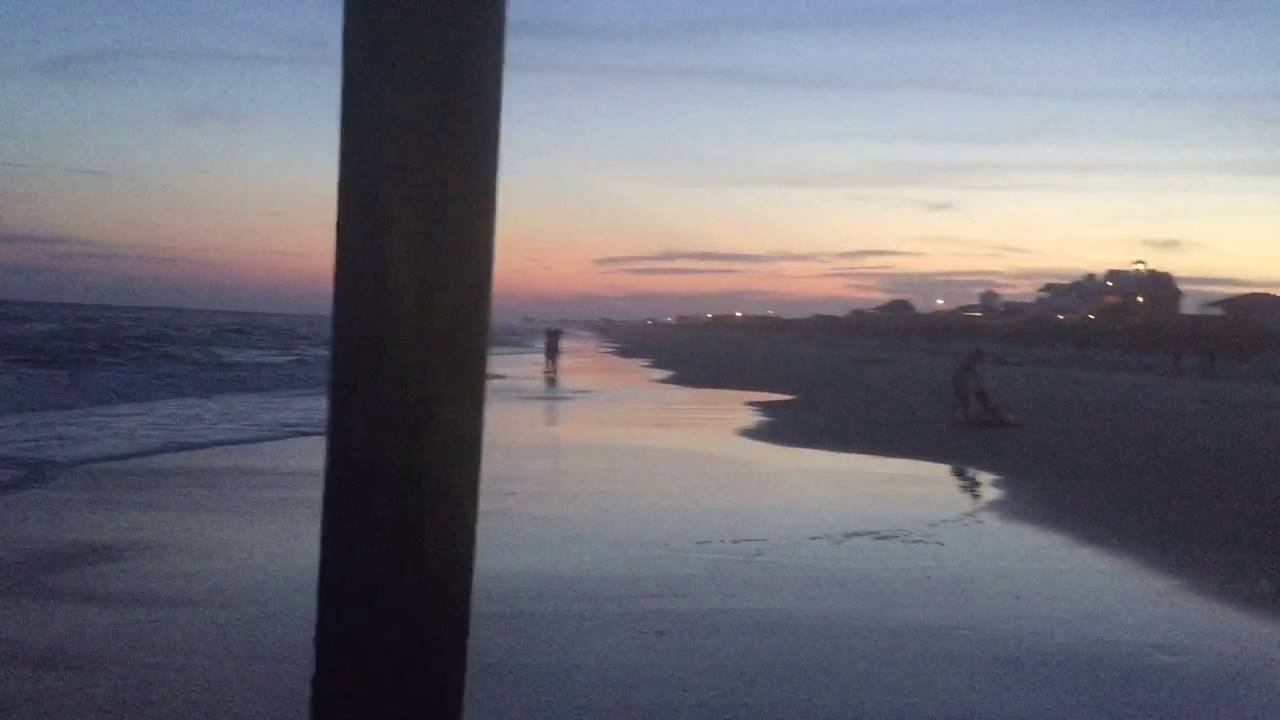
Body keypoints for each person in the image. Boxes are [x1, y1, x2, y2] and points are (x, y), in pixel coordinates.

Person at [950, 348, 985, 423]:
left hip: (958, 380)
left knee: (963, 400)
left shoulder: (968, 359)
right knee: (964, 400)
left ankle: (961, 417)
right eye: (981, 358)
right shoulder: (971, 361)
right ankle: (960, 418)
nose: (981, 360)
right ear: (978, 356)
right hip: (959, 381)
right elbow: (973, 374)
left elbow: (973, 375)